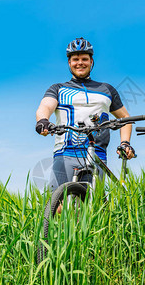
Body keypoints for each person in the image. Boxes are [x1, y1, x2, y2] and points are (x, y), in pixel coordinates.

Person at [35, 37, 135, 191]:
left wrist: (125, 143)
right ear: (69, 63)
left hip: (97, 155)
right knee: (59, 205)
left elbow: (126, 119)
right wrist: (43, 120)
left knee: (92, 205)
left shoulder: (107, 89)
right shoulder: (59, 88)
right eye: (75, 59)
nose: (80, 63)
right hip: (66, 152)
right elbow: (46, 106)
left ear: (91, 61)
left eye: (84, 59)